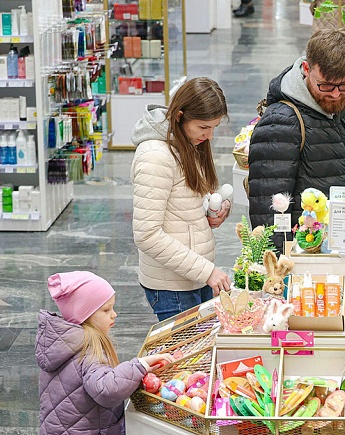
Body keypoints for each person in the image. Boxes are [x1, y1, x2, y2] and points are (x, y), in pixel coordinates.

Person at [248, 29, 345, 254]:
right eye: (326, 85)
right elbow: (268, 211)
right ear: (307, 70)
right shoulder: (282, 121)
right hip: (306, 261)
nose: (336, 95)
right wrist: (281, 273)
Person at [131, 77, 232, 321]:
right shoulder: (155, 157)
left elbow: (184, 200)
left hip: (193, 276)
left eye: (214, 128)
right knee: (185, 357)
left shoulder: (185, 142)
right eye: (203, 127)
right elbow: (147, 234)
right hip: (173, 286)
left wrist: (214, 207)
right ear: (179, 116)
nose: (209, 136)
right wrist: (207, 271)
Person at [37, 271, 175, 435]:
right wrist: (140, 365)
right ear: (85, 314)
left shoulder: (66, 340)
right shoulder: (89, 348)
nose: (114, 314)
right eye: (106, 310)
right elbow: (107, 389)